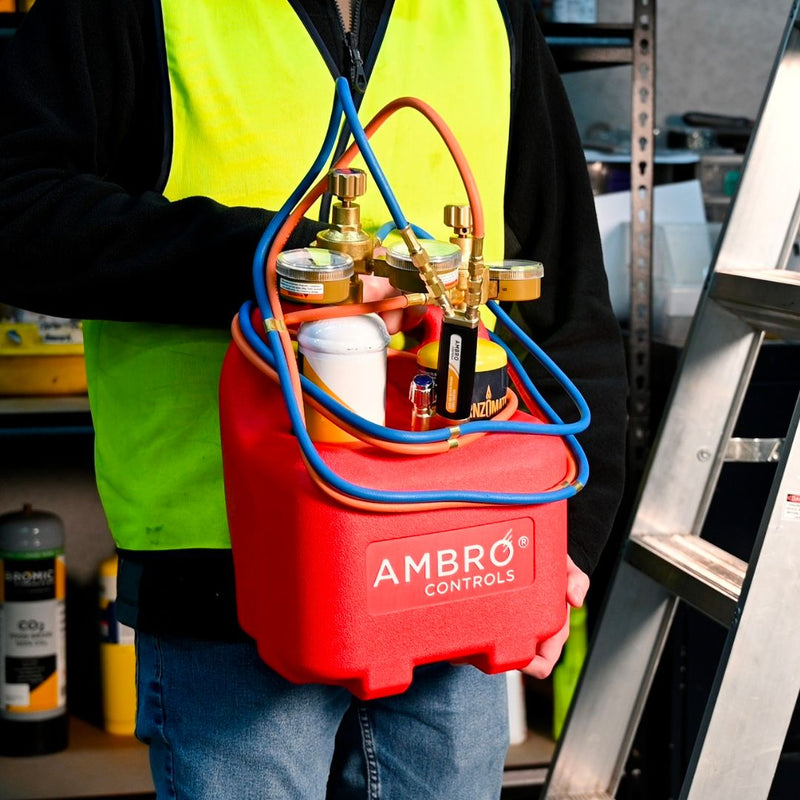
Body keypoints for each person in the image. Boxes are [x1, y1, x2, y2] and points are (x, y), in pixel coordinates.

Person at [0, 0, 628, 797]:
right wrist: (269, 260)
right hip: (231, 589)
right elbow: (15, 205)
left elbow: (565, 294)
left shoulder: (485, 11)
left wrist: (572, 538)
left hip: (456, 573)